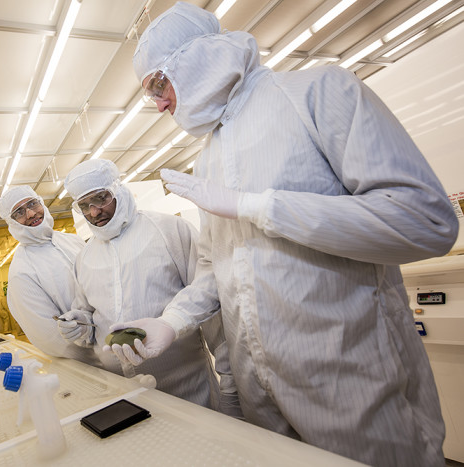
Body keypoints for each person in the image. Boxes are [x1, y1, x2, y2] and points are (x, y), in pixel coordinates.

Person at [107, 3, 459, 467]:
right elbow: (218, 266)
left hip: (358, 391)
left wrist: (257, 206)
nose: (159, 104)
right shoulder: (207, 159)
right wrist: (171, 323)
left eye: (157, 83)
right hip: (263, 400)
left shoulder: (317, 92)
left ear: (192, 59)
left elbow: (425, 220)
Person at [57, 158, 240, 416]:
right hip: (123, 397)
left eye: (101, 198)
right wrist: (80, 323)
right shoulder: (84, 257)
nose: (94, 212)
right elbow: (88, 313)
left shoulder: (170, 230)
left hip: (187, 391)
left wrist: (230, 384)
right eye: (84, 206)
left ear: (118, 190)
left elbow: (210, 306)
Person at [0, 185, 98, 366]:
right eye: (19, 212)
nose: (30, 214)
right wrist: (102, 361)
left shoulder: (71, 240)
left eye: (33, 204)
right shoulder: (22, 273)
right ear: (11, 223)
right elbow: (51, 339)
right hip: (94, 365)